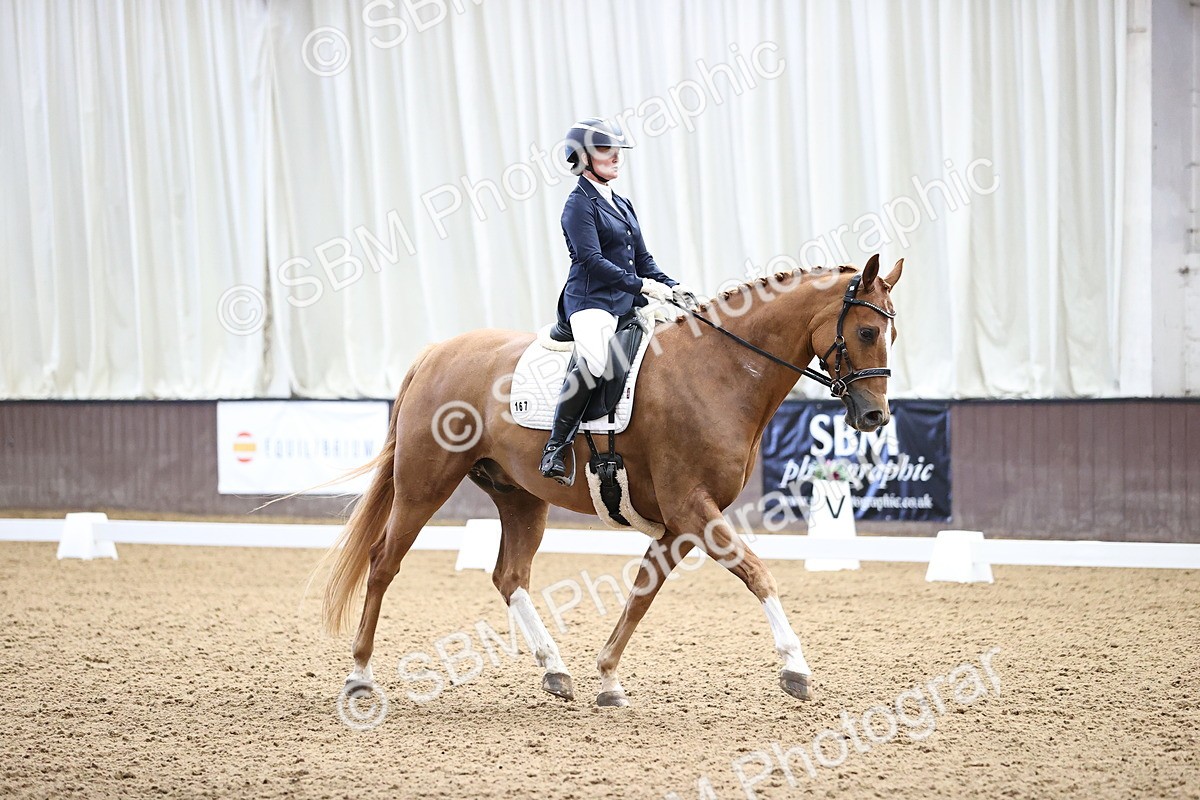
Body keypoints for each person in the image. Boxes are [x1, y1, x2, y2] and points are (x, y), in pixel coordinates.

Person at [538, 117, 700, 484]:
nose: (615, 157)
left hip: (626, 300)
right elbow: (592, 261)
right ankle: (556, 446)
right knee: (595, 361)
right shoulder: (578, 205)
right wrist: (643, 286)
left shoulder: (622, 203)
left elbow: (642, 258)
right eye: (604, 151)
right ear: (582, 158)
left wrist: (671, 286)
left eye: (617, 151)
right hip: (590, 300)